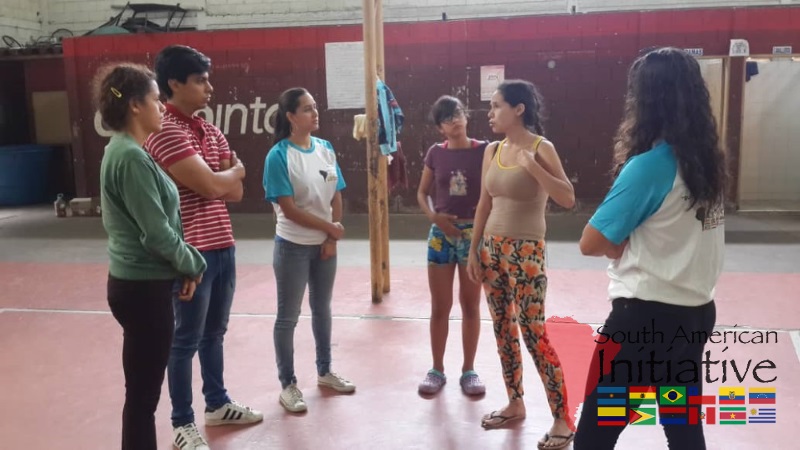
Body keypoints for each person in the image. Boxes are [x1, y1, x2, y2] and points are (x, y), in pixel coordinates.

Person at [574, 47, 726, 450]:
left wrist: (621, 241)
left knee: (594, 436)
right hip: (694, 316)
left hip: (642, 323)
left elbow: (592, 242)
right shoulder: (707, 162)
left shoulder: (649, 167)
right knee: (682, 427)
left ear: (646, 100)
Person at [145, 45, 262, 450]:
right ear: (174, 84)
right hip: (189, 254)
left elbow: (236, 193)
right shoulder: (165, 131)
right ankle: (182, 422)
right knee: (184, 339)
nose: (209, 87)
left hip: (222, 245)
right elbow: (214, 185)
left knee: (215, 333)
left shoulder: (210, 131)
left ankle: (217, 403)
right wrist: (229, 172)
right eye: (200, 80)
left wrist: (224, 176)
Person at [96, 62, 207, 450]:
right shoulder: (129, 157)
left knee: (140, 396)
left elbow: (160, 229)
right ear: (135, 107)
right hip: (142, 290)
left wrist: (182, 267)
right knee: (143, 399)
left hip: (141, 286)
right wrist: (195, 263)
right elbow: (157, 233)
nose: (163, 107)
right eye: (157, 100)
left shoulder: (127, 152)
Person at [467, 79, 576, 449]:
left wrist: (534, 167)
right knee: (502, 329)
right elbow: (484, 203)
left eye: (497, 106)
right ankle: (515, 402)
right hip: (491, 250)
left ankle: (562, 417)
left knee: (533, 333)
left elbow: (567, 197)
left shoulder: (541, 147)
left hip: (526, 253)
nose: (491, 113)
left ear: (519, 109)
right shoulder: (493, 150)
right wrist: (473, 250)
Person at [263, 87, 355, 413]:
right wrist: (330, 228)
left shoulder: (326, 149)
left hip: (324, 247)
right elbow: (288, 209)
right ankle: (288, 385)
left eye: (315, 107)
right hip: (292, 248)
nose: (315, 113)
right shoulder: (278, 156)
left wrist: (330, 239)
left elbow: (337, 194)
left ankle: (325, 371)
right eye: (306, 109)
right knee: (288, 317)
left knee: (323, 309)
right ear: (290, 117)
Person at [416, 95, 487, 396]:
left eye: (457, 113)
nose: (454, 120)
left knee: (470, 304)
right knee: (439, 306)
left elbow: (491, 193)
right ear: (439, 128)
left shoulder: (485, 150)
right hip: (440, 234)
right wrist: (435, 217)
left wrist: (481, 231)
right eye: (446, 118)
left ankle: (468, 370)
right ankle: (437, 369)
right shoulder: (435, 153)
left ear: (466, 116)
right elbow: (422, 193)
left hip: (474, 233)